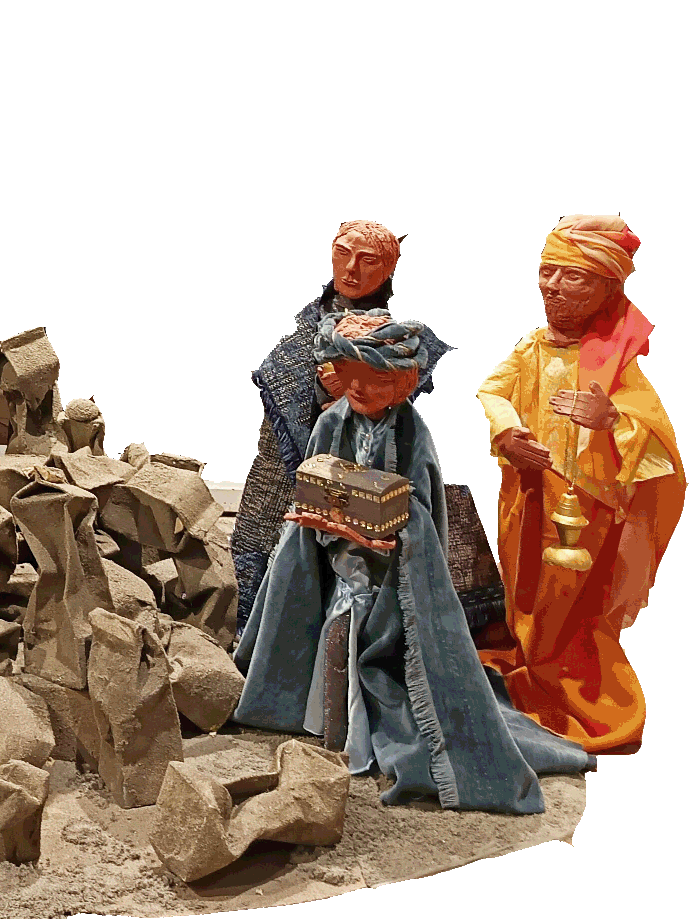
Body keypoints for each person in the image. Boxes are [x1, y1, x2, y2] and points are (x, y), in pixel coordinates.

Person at [229, 310, 592, 813]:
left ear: (401, 383)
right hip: (339, 562)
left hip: (391, 572)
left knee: (381, 653)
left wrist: (391, 529)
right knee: (333, 637)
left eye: (374, 380)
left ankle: (367, 735)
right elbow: (315, 480)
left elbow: (422, 506)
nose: (359, 389)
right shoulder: (332, 422)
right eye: (350, 376)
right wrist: (329, 525)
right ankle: (330, 727)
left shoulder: (411, 433)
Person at [482, 215, 676, 753]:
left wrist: (611, 420)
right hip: (527, 494)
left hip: (585, 510)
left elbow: (659, 448)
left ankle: (564, 685)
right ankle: (528, 666)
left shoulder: (617, 364)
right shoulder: (531, 347)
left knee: (566, 605)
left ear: (607, 287)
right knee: (521, 589)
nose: (553, 286)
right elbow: (492, 391)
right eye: (548, 271)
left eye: (573, 276)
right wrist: (508, 432)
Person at [234, 221, 400, 628]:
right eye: (343, 254)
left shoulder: (393, 336)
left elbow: (396, 402)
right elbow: (280, 377)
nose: (351, 269)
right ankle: (245, 629)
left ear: (388, 270)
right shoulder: (310, 322)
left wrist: (351, 395)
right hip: (281, 454)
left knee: (326, 560)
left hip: (345, 465)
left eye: (367, 260)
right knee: (257, 537)